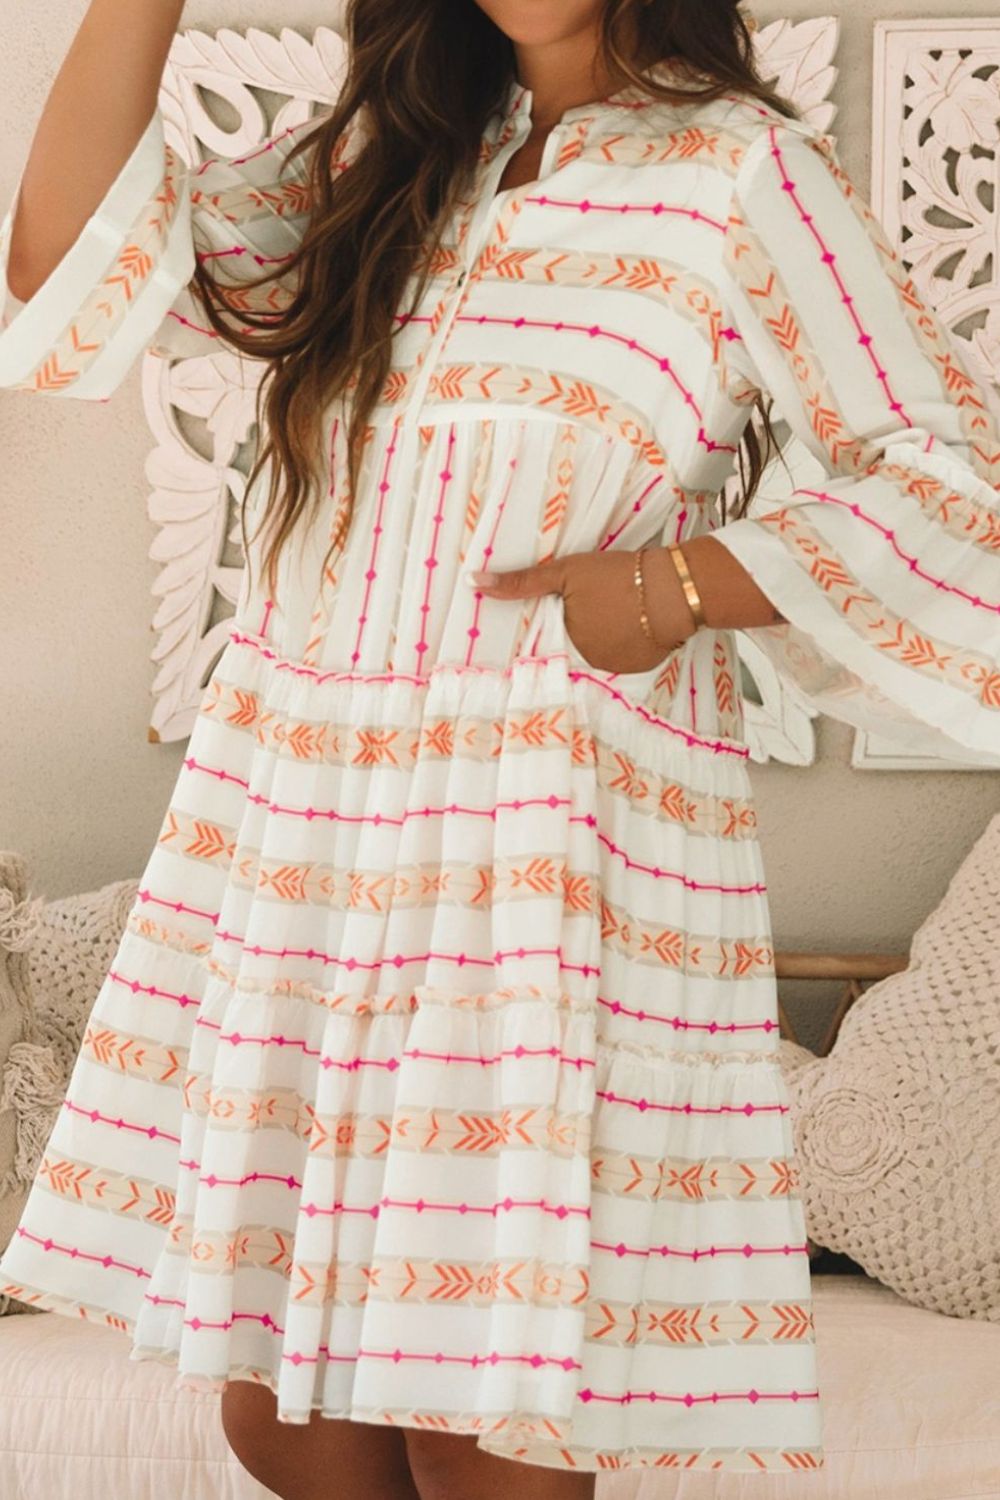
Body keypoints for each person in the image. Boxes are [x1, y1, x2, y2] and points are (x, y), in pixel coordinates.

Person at [1, 0, 998, 1496]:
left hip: (534, 856)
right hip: (313, 829)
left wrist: (674, 586)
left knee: (474, 1432)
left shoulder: (742, 172)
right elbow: (66, 267)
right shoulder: (390, 161)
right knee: (280, 1419)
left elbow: (952, 480)